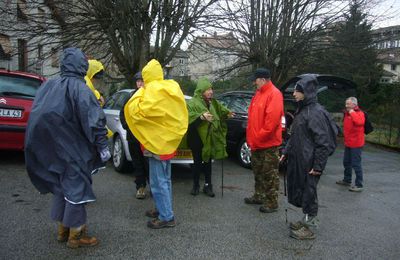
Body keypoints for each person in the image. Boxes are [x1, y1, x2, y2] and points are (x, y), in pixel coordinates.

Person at [25, 47, 111, 248]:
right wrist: (102, 145)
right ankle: (76, 234)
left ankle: (62, 230)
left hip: (51, 148)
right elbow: (94, 120)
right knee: (77, 189)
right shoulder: (80, 89)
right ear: (83, 65)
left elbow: (37, 115)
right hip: (74, 148)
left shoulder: (49, 85)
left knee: (62, 188)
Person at [124, 59, 188, 229]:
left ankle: (166, 216)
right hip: (167, 143)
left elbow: (138, 111)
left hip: (156, 144)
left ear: (147, 76)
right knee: (165, 179)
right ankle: (161, 208)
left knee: (158, 181)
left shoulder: (151, 90)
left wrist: (140, 91)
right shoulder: (171, 87)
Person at [281, 74, 338, 240]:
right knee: (303, 191)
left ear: (306, 92)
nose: (293, 94)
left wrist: (318, 166)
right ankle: (305, 220)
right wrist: (285, 152)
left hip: (310, 163)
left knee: (309, 193)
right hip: (300, 160)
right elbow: (295, 136)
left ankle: (309, 228)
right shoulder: (303, 110)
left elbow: (324, 142)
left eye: (297, 91)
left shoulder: (315, 113)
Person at [244, 68, 284, 214]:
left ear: (262, 79)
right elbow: (252, 119)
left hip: (269, 144)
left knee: (270, 174)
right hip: (256, 143)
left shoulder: (274, 94)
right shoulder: (258, 94)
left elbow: (271, 123)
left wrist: (257, 138)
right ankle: (259, 196)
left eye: (255, 80)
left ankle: (272, 202)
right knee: (258, 172)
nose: (254, 83)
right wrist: (251, 139)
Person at [186, 78, 233, 197]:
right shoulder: (192, 103)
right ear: (201, 91)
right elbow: (187, 118)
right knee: (197, 162)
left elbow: (220, 110)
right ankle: (195, 186)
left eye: (211, 89)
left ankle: (208, 186)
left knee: (208, 163)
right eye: (208, 89)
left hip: (209, 137)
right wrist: (201, 117)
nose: (211, 91)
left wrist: (227, 113)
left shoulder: (212, 103)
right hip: (196, 138)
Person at [120, 72, 149, 199]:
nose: (140, 83)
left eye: (142, 81)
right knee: (137, 163)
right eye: (138, 81)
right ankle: (140, 187)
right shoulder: (131, 96)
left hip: (146, 137)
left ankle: (154, 187)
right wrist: (127, 125)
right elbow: (123, 113)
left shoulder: (149, 96)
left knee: (148, 163)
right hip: (132, 136)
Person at [336, 97, 365, 192]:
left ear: (354, 104)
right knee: (346, 162)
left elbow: (360, 122)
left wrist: (352, 112)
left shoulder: (359, 113)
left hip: (356, 144)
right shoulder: (347, 113)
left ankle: (359, 184)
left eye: (348, 104)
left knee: (356, 164)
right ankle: (347, 180)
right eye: (346, 103)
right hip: (348, 143)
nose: (346, 105)